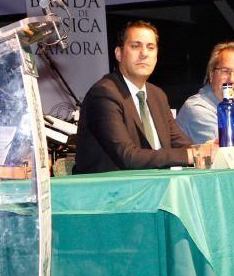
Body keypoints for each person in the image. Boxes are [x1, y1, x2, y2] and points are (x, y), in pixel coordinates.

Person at [74, 20, 207, 174]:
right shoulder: (104, 94)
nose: (144, 53)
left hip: (154, 187)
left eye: (150, 47)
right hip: (112, 193)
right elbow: (128, 157)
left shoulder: (157, 95)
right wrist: (191, 154)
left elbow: (182, 145)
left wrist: (204, 150)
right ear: (119, 53)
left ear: (156, 56)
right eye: (136, 46)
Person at [176, 41, 234, 144]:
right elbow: (226, 153)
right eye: (225, 71)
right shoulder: (196, 109)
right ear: (211, 75)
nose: (231, 79)